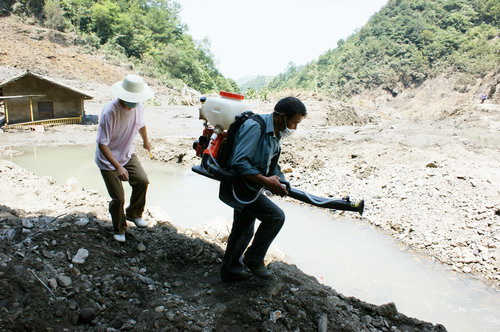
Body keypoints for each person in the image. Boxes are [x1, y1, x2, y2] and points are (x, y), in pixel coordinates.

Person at [219, 97, 307, 281]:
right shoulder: (255, 127)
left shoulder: (275, 134)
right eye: (293, 122)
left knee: (243, 227)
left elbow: (272, 166)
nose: (294, 127)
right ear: (282, 116)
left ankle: (230, 270)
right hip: (240, 185)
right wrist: (266, 182)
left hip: (252, 186)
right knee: (275, 217)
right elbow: (239, 162)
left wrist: (281, 181)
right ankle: (253, 258)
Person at [95, 74, 154, 243]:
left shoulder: (138, 107)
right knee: (118, 198)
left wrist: (146, 141)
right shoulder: (109, 112)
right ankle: (119, 228)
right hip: (108, 160)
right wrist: (118, 167)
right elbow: (102, 144)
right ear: (123, 96)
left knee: (142, 181)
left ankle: (134, 213)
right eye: (131, 100)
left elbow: (141, 124)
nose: (134, 104)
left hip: (127, 154)